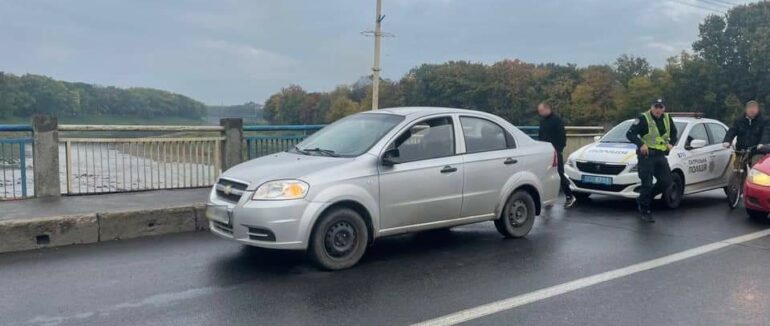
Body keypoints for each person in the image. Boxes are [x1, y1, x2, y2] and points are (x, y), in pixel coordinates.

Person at [626, 98, 678, 223]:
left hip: (660, 155)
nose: (658, 110)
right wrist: (640, 144)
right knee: (647, 183)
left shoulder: (667, 118)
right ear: (651, 107)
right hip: (646, 156)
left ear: (664, 108)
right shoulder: (643, 118)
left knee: (667, 181)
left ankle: (644, 199)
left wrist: (671, 143)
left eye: (661, 107)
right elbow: (630, 134)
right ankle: (645, 210)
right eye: (656, 107)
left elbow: (675, 132)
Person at [537, 101, 575, 208]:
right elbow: (541, 136)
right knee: (546, 175)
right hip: (545, 151)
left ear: (547, 109)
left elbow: (562, 136)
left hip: (555, 151)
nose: (539, 113)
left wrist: (559, 149)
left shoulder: (557, 120)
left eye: (541, 111)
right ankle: (549, 198)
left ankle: (569, 196)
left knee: (559, 173)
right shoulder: (542, 121)